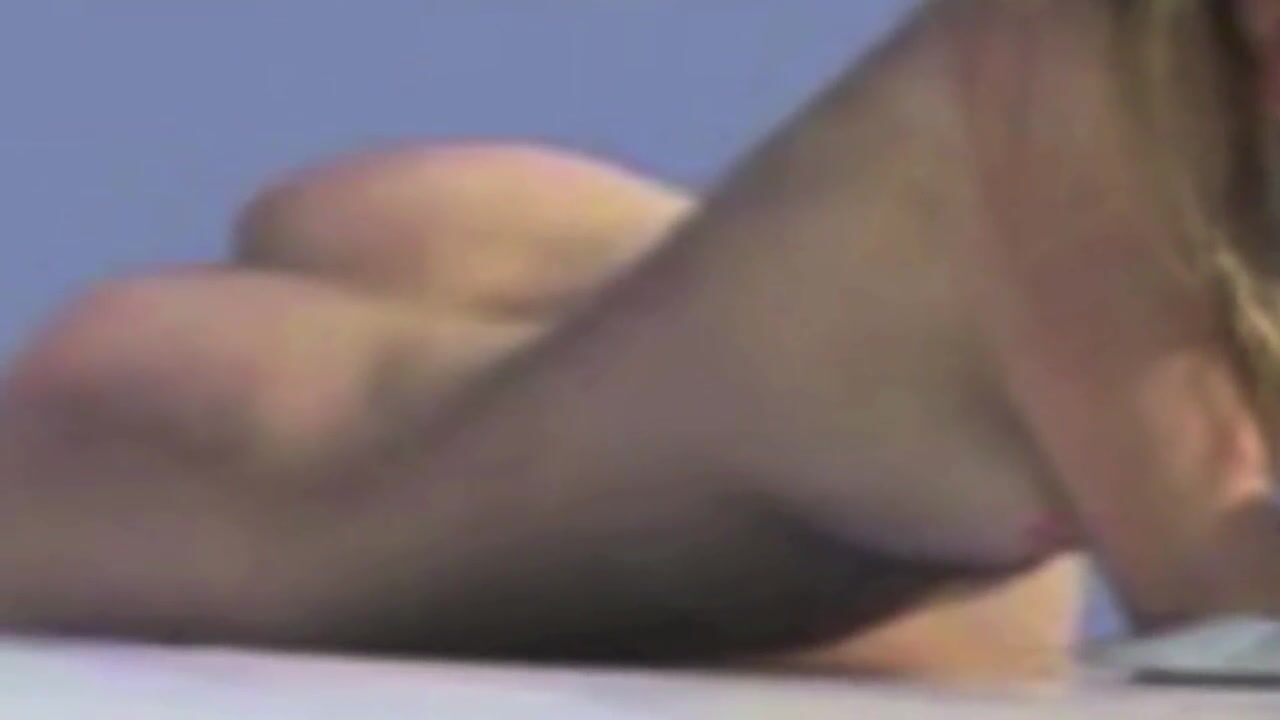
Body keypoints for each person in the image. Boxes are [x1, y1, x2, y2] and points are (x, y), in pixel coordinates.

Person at [3, 0, 1277, 680]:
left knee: (967, 633)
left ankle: (530, 272)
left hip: (832, 543)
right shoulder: (1066, 68)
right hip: (340, 493)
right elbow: (1230, 601)